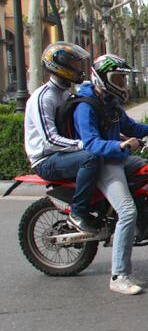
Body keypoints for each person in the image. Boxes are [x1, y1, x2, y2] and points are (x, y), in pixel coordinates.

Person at [73, 54, 148, 295]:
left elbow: (132, 128)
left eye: (123, 79)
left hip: (117, 158)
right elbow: (90, 143)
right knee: (127, 211)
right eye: (118, 78)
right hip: (104, 162)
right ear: (102, 78)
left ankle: (144, 220)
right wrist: (120, 146)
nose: (122, 83)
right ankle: (119, 275)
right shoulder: (86, 106)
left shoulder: (109, 102)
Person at [24, 42, 101, 234]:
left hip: (61, 155)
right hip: (46, 159)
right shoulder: (44, 97)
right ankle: (78, 213)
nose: (78, 69)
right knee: (91, 157)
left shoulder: (65, 93)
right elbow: (51, 140)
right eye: (74, 65)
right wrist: (84, 145)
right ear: (60, 66)